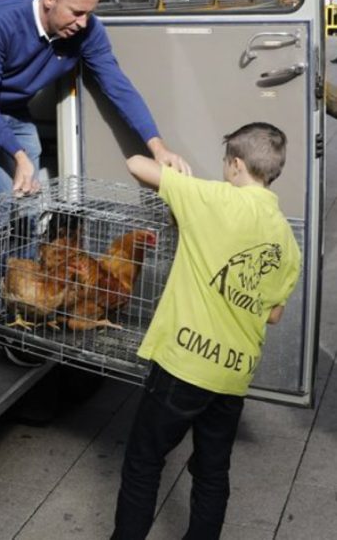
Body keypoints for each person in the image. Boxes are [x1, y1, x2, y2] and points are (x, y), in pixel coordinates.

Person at [111, 122, 301, 540]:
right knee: (213, 471)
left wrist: (168, 160)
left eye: (225, 164)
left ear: (235, 164)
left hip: (184, 363)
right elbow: (273, 316)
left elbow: (135, 164)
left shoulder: (212, 199)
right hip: (233, 376)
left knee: (144, 461)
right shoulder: (288, 241)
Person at [0, 0, 190, 216]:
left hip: (17, 112)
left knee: (29, 206)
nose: (83, 23)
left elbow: (118, 87)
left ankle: (24, 258)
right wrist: (20, 157)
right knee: (8, 203)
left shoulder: (88, 31)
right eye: (76, 13)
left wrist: (157, 147)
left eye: (89, 13)